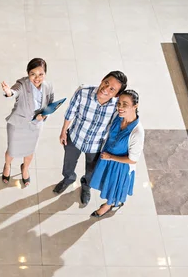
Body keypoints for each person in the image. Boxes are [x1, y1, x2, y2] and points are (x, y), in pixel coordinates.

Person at [53, 71, 128, 205]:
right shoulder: (83, 92)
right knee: (68, 164)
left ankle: (86, 186)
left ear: (117, 94)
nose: (105, 89)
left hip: (96, 145)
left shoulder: (117, 106)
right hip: (75, 137)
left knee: (91, 170)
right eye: (106, 83)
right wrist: (63, 131)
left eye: (112, 89)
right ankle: (68, 178)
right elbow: (70, 112)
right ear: (102, 79)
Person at [90, 89, 144, 217]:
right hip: (107, 158)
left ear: (135, 106)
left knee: (113, 188)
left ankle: (108, 205)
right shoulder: (118, 117)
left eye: (125, 104)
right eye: (119, 103)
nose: (120, 107)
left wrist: (111, 157)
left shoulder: (137, 132)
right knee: (105, 183)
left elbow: (133, 160)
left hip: (119, 166)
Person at [1, 58, 54, 187]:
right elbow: (15, 91)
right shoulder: (22, 84)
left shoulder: (48, 86)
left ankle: (25, 168)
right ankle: (7, 166)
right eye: (33, 74)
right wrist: (9, 93)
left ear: (45, 74)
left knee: (30, 151)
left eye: (41, 74)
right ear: (28, 73)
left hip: (35, 126)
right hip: (18, 125)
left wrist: (44, 116)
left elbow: (51, 102)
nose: (37, 78)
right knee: (12, 151)